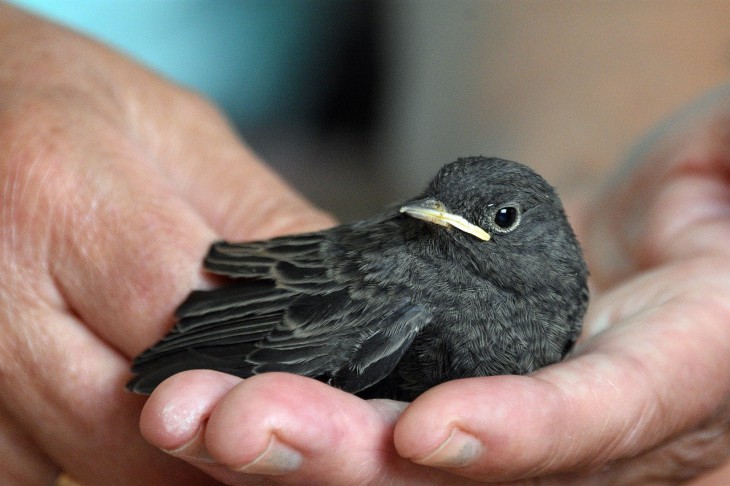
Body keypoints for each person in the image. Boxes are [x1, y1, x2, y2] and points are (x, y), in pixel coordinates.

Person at [1, 4, 729, 484]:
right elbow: (263, 326)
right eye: (443, 208)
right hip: (166, 172)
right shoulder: (411, 281)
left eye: (499, 219)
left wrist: (598, 170)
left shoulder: (562, 286)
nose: (441, 219)